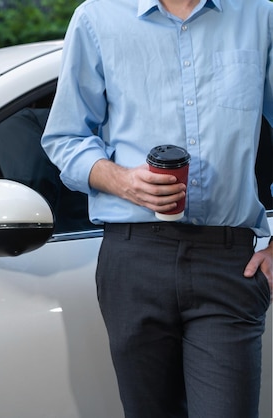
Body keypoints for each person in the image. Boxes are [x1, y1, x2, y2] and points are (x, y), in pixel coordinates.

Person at [41, 1, 273, 417]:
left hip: (229, 262)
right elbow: (64, 138)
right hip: (133, 258)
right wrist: (123, 181)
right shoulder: (97, 18)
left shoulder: (261, 15)